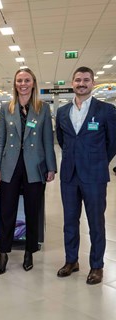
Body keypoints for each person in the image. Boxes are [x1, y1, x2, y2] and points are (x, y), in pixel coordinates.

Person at [56, 66, 116, 285]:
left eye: (86, 80)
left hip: (95, 176)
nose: (82, 83)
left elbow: (113, 143)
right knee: (70, 221)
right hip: (69, 175)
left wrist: (98, 160)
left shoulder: (106, 110)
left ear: (93, 83)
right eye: (78, 80)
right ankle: (71, 260)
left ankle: (97, 266)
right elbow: (63, 141)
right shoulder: (62, 112)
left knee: (96, 223)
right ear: (72, 82)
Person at [0, 68, 56, 275]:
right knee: (7, 211)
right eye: (19, 80)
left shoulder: (42, 108)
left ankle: (29, 251)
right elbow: (0, 140)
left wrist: (51, 167)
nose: (23, 84)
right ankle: (3, 253)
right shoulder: (6, 107)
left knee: (32, 211)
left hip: (34, 167)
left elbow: (47, 140)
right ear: (15, 84)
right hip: (10, 166)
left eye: (26, 80)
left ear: (33, 83)